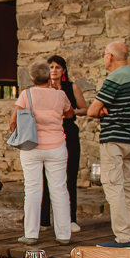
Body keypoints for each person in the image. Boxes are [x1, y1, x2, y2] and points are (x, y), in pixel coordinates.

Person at [87, 41, 130, 249]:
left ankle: (123, 238)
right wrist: (103, 108)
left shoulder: (115, 78)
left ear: (110, 56)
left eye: (104, 55)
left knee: (113, 187)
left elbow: (92, 111)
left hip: (114, 138)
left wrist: (102, 109)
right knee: (129, 186)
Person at [10, 60, 75, 245]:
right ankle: (63, 234)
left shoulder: (26, 94)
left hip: (32, 146)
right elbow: (70, 114)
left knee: (32, 188)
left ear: (31, 78)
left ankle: (31, 233)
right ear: (49, 76)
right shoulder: (60, 95)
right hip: (56, 146)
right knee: (59, 189)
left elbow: (13, 120)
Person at [40, 55, 89, 232]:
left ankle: (70, 219)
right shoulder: (43, 88)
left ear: (63, 70)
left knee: (69, 175)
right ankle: (44, 220)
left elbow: (84, 109)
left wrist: (70, 111)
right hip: (49, 134)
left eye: (57, 67)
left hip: (68, 132)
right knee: (45, 176)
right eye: (51, 67)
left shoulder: (71, 87)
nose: (54, 70)